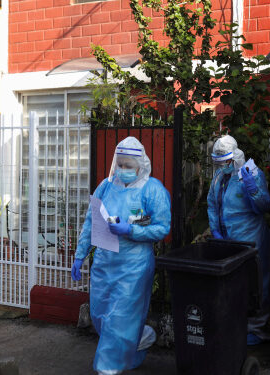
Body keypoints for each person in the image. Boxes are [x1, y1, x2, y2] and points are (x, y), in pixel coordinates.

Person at [71, 136, 171, 375]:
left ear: (140, 165)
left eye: (129, 166)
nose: (123, 170)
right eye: (120, 164)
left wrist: (131, 230)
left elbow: (162, 227)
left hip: (134, 267)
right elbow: (90, 222)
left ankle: (107, 368)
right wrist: (79, 254)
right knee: (101, 316)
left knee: (119, 319)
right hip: (105, 263)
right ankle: (140, 339)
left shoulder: (152, 189)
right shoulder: (106, 186)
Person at [207, 134, 270, 346]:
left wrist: (253, 189)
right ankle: (236, 326)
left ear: (234, 157)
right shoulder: (218, 178)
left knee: (256, 284)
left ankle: (257, 329)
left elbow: (264, 206)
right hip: (227, 241)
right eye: (219, 162)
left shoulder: (250, 174)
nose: (222, 165)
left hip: (251, 240)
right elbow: (212, 205)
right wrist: (216, 231)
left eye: (225, 161)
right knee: (233, 285)